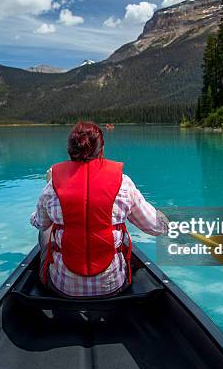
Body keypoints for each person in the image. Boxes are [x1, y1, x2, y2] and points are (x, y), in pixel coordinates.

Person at [30, 121, 168, 297]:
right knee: (121, 232)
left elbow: (39, 223)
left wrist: (50, 182)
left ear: (70, 151)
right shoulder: (123, 183)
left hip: (62, 288)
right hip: (113, 286)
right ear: (101, 150)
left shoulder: (52, 186)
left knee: (46, 230)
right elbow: (156, 228)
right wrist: (164, 219)